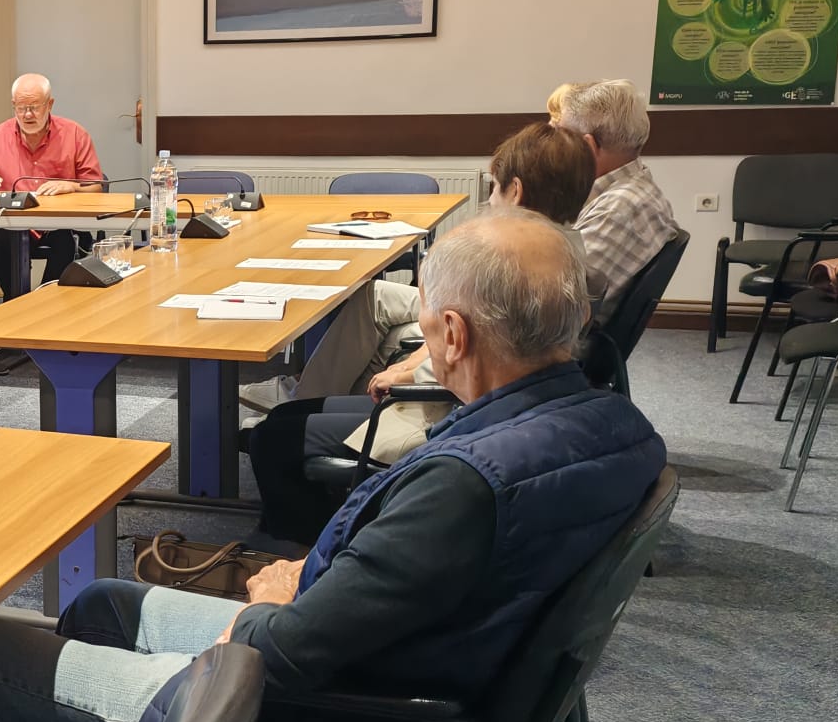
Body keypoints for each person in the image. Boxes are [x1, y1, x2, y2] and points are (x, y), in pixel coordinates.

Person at [0, 209, 666, 722]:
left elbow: (279, 656)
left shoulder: (464, 490)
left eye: (426, 325)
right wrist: (308, 588)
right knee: (104, 609)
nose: (423, 341)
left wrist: (279, 597)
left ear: (454, 336)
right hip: (419, 717)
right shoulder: (618, 430)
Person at [249, 123, 598, 541]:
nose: (490, 200)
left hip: (437, 415)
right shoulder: (564, 253)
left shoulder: (507, 262)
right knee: (285, 418)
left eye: (494, 189)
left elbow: (468, 357)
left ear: (516, 191)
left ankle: (306, 544)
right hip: (464, 408)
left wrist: (407, 372)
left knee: (271, 439)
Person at [0, 74, 105, 310]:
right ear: (13, 105)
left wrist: (71, 186)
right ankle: (15, 306)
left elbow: (96, 186)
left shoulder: (74, 134)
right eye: (21, 108)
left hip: (58, 226)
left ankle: (45, 304)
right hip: (9, 226)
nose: (27, 115)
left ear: (50, 104)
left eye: (34, 107)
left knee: (65, 242)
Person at [547, 78, 682, 317]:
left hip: (556, 333)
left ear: (587, 147)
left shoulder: (618, 210)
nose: (555, 149)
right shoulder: (631, 189)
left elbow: (553, 304)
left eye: (561, 139)